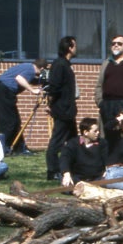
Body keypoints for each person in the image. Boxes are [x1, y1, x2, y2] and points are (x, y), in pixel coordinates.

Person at [0, 58, 47, 156]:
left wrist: (41, 82)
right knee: (9, 122)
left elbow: (28, 79)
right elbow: (19, 78)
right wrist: (33, 90)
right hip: (4, 91)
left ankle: (20, 148)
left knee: (15, 121)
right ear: (42, 68)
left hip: (2, 91)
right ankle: (3, 149)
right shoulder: (31, 69)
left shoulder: (27, 66)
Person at [44, 35, 78, 181]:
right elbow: (54, 88)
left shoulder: (66, 65)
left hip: (68, 111)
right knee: (56, 141)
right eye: (74, 45)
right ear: (69, 48)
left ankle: (74, 167)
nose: (76, 48)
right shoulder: (59, 65)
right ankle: (52, 171)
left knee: (74, 141)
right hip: (62, 110)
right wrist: (49, 105)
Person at [60, 117, 108, 188]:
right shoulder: (73, 143)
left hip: (97, 178)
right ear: (85, 132)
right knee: (67, 184)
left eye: (98, 130)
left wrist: (107, 171)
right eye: (95, 131)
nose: (98, 133)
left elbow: (108, 159)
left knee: (107, 182)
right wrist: (66, 174)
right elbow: (65, 158)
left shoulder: (102, 143)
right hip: (78, 178)